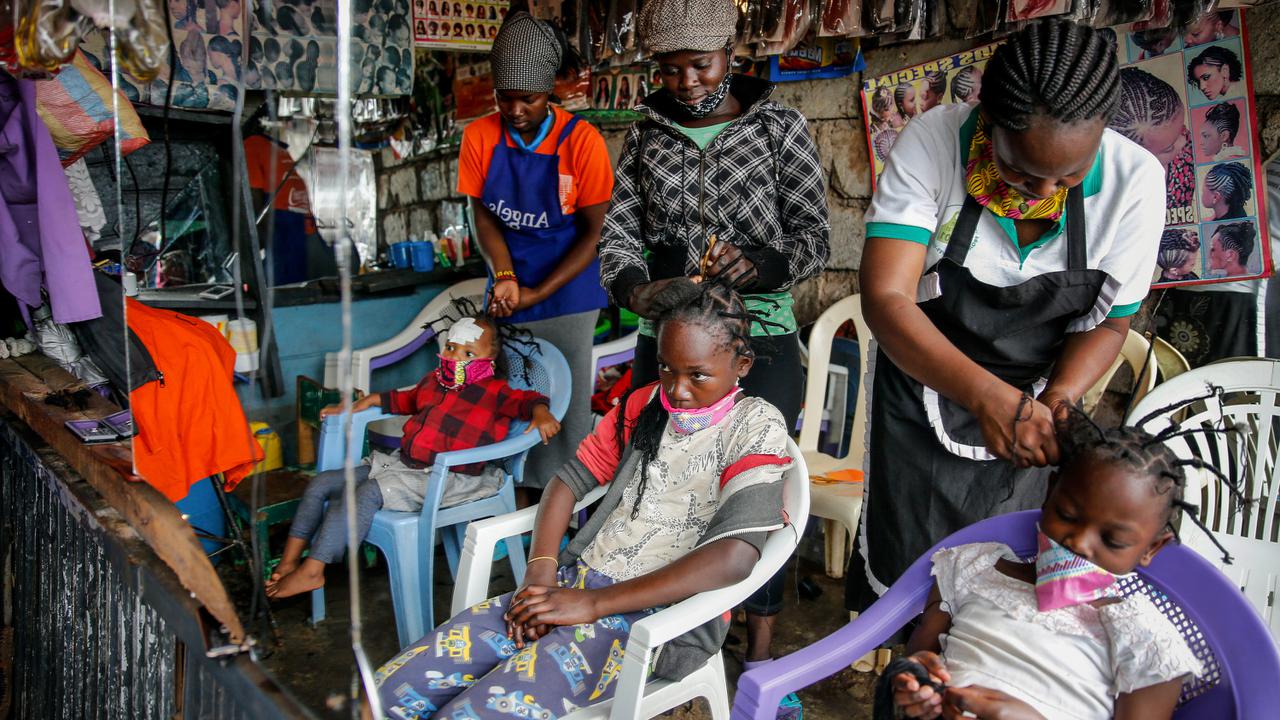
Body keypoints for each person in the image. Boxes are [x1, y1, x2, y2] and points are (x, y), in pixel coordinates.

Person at [850, 19, 1164, 632]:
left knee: (1003, 593)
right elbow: (887, 296)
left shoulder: (1135, 184)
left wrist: (1060, 398)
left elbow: (1109, 321)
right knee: (913, 595)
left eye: (1069, 176)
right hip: (921, 386)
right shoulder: (934, 144)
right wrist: (984, 394)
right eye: (1020, 172)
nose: (1044, 191)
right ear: (987, 119)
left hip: (1039, 401)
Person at [374, 281, 791, 719]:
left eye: (697, 375)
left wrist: (591, 606)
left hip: (656, 620)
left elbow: (734, 557)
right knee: (391, 691)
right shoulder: (644, 404)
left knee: (476, 712)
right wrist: (541, 574)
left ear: (741, 364)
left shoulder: (756, 426)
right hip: (574, 583)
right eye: (667, 369)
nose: (677, 389)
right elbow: (567, 482)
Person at [599, 0, 829, 692]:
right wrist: (637, 290)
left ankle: (759, 645)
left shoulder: (781, 129)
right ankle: (668, 639)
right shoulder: (644, 138)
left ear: (732, 53)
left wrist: (760, 266)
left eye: (701, 65)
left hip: (759, 340)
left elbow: (815, 238)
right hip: (668, 344)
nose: (688, 83)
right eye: (671, 70)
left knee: (757, 492)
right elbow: (616, 235)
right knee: (662, 484)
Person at [886, 412, 1213, 719]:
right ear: (1050, 493)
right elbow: (917, 663)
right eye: (1067, 516)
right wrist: (915, 687)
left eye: (1112, 540)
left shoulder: (1145, 638)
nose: (1079, 542)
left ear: (1150, 548)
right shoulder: (975, 568)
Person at [266, 311, 561, 598]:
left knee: (366, 493)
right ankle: (289, 560)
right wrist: (370, 399)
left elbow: (529, 401)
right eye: (451, 347)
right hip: (402, 464)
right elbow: (405, 399)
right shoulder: (433, 381)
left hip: (449, 477)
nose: (455, 357)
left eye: (468, 354)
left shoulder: (495, 391)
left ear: (489, 361)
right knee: (322, 483)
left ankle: (314, 569)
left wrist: (542, 413)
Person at [458, 11, 614, 505]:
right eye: (506, 98)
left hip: (569, 290)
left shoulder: (581, 141)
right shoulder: (480, 137)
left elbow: (595, 232)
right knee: (510, 404)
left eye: (529, 98)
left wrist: (539, 292)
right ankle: (511, 517)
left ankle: (564, 525)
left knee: (563, 413)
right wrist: (505, 276)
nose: (517, 109)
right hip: (509, 288)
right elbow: (485, 218)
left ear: (552, 91)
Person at [242, 105, 325, 285]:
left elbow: (255, 192)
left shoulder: (263, 146)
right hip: (288, 224)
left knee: (291, 288)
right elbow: (256, 192)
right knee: (292, 287)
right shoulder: (262, 146)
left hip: (291, 225)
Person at [1113, 67, 1195, 216]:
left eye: (1183, 129)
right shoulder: (1126, 206)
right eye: (1169, 148)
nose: (1183, 141)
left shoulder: (1187, 157)